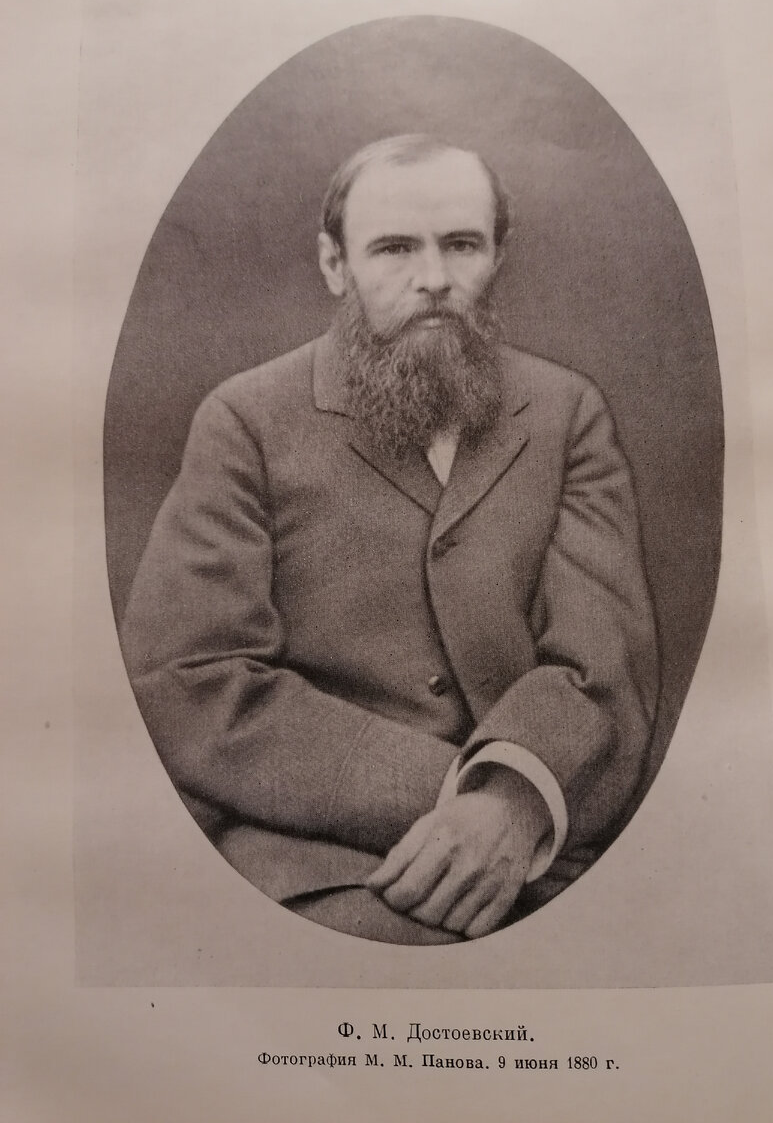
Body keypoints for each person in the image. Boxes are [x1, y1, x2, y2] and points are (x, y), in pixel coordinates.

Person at [122, 134, 659, 945]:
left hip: (541, 840)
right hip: (320, 856)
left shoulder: (564, 411)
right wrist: (465, 800)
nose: (434, 277)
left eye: (462, 245)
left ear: (498, 256)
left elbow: (603, 660)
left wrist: (518, 798)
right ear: (335, 265)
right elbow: (191, 677)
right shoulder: (246, 421)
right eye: (395, 248)